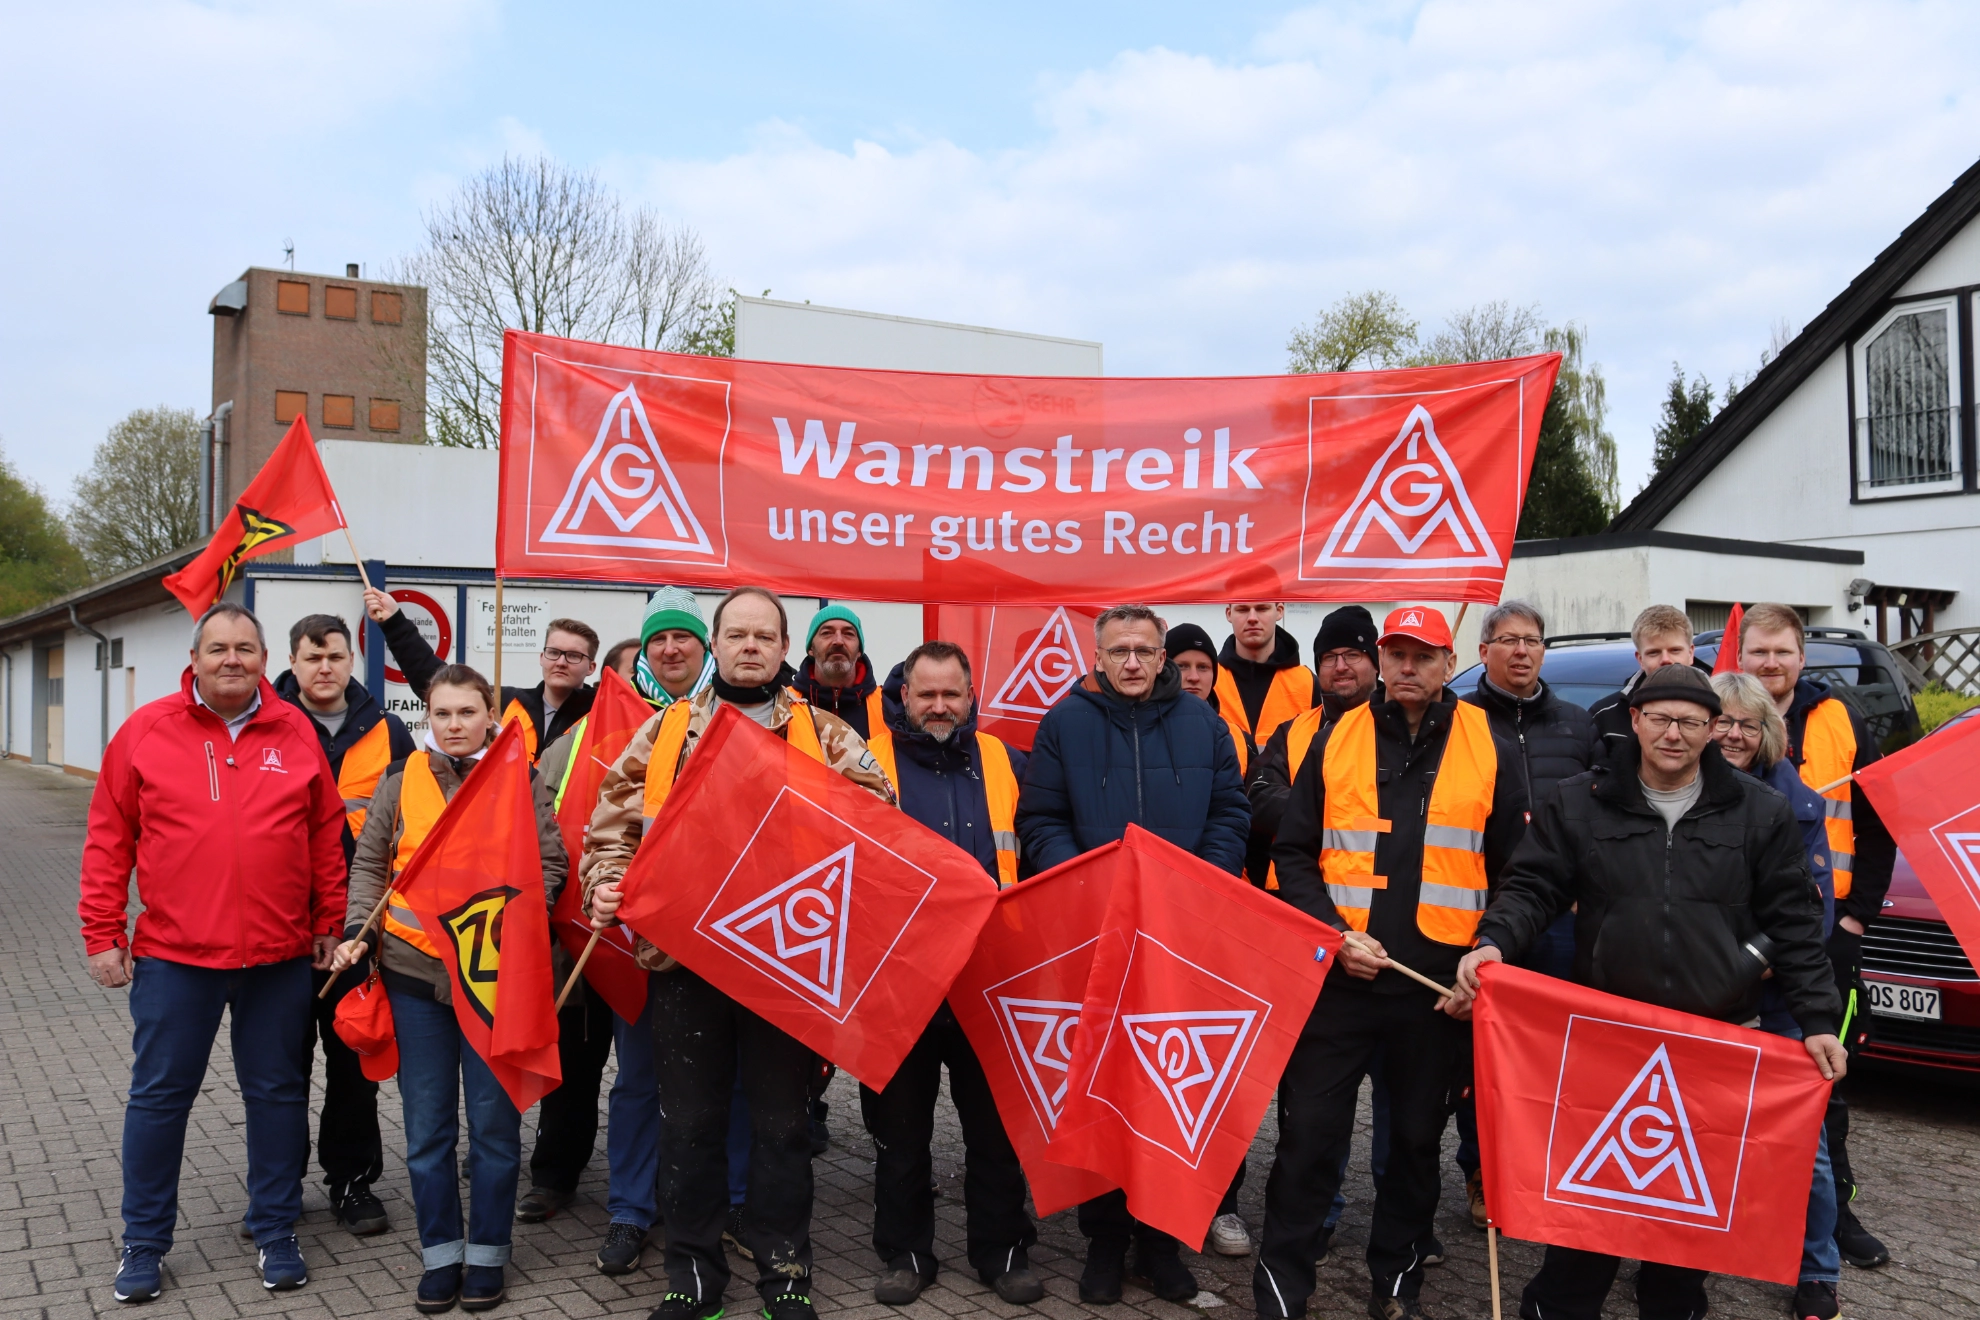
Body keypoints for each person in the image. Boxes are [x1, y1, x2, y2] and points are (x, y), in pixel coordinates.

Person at [1450, 662, 1847, 1320]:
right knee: (1584, 1230)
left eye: (1691, 723)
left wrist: (1818, 1022)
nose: (1673, 734)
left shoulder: (1763, 813)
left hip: (1715, 1047)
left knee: (1681, 1241)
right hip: (1610, 1045)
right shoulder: (1580, 800)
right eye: (1660, 718)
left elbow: (1796, 926)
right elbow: (1532, 886)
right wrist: (1494, 941)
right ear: (1634, 721)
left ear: (1713, 730)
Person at [585, 587, 894, 1320]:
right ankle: (692, 1279)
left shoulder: (824, 735)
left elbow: (883, 830)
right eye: (737, 634)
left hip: (786, 966)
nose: (750, 646)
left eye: (764, 636)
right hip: (683, 965)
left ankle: (786, 1275)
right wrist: (606, 885)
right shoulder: (663, 733)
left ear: (785, 650)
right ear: (713, 645)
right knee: (688, 1126)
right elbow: (609, 829)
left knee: (783, 1129)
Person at [1255, 606, 1528, 1320]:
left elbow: (1519, 873)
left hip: (1436, 992)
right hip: (1339, 981)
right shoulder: (1333, 736)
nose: (1407, 668)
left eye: (1423, 655)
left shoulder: (1490, 743)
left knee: (1412, 1146)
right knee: (1309, 1138)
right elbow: (1293, 852)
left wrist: (1487, 953)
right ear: (1381, 660)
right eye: (1396, 654)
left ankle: (1397, 1279)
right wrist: (1331, 932)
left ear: (1448, 661)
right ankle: (1282, 1284)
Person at [80, 602, 346, 1303]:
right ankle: (143, 1241)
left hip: (279, 957)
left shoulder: (293, 731)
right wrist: (102, 932)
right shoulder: (147, 730)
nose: (233, 659)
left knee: (279, 1096)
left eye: (247, 648)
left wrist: (328, 919)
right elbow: (110, 836)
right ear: (194, 658)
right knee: (160, 1100)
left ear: (267, 661)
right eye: (219, 647)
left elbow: (324, 833)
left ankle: (276, 1226)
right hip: (175, 957)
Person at [1016, 603, 1250, 1306]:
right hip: (1099, 939)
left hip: (1181, 939)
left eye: (1145, 651)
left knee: (1170, 1095)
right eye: (1118, 650)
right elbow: (1041, 822)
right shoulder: (1064, 724)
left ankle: (1160, 1243)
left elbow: (1231, 815)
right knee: (1102, 1092)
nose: (1132, 663)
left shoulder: (1206, 728)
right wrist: (1096, 887)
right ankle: (1105, 1242)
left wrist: (1192, 886)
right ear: (1097, 655)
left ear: (1163, 657)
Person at [328, 664, 569, 1314]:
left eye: (468, 713)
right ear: (427, 718)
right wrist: (358, 930)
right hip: (413, 977)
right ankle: (441, 1255)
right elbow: (371, 862)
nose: (455, 725)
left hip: (492, 980)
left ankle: (488, 1256)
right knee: (429, 1131)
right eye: (443, 714)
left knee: (493, 1128)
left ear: (490, 716)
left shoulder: (519, 778)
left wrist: (519, 916)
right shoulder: (401, 780)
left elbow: (551, 861)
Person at [513, 588, 718, 1238]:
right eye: (656, 641)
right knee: (632, 1082)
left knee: (716, 1088)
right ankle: (629, 1211)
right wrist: (597, 885)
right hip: (619, 937)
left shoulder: (729, 723)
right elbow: (580, 826)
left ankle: (714, 1206)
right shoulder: (594, 736)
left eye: (682, 637)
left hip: (709, 940)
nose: (669, 649)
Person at [855, 642, 1041, 1306]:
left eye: (951, 694)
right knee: (899, 1135)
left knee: (996, 1133)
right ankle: (906, 1255)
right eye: (926, 694)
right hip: (899, 983)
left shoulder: (1004, 761)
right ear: (903, 694)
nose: (939, 706)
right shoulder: (864, 762)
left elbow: (1039, 848)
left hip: (990, 980)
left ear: (971, 697)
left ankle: (1005, 1252)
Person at [1738, 601, 1896, 1273]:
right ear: (1739, 658)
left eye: (1783, 651)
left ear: (1803, 657)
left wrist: (1858, 917)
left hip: (1825, 937)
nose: (1771, 662)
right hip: (1737, 946)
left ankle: (1836, 1221)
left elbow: (1880, 818)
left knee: (1822, 1086)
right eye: (1759, 652)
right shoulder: (1725, 722)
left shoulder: (1841, 716)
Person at [275, 613, 417, 1237]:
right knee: (279, 1070)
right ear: (294, 663)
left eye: (334, 655)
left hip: (359, 928)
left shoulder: (389, 731)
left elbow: (414, 820)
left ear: (352, 658)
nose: (324, 668)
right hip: (281, 930)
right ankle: (277, 1187)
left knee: (354, 1059)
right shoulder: (265, 726)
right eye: (312, 658)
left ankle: (353, 1183)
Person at [1710, 671, 1845, 1320]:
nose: (1733, 733)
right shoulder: (1676, 794)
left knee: (1806, 1152)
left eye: (1748, 723)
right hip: (1698, 1002)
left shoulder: (1801, 806)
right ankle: (1679, 1253)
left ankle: (1817, 1271)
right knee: (1694, 1133)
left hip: (1778, 1004)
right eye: (1722, 720)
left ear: (1769, 733)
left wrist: (1748, 960)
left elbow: (1811, 916)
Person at [364, 587, 598, 762]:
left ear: (591, 667)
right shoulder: (503, 702)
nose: (561, 662)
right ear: (541, 657)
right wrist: (395, 622)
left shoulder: (600, 714)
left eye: (574, 656)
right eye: (554, 652)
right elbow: (433, 676)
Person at [1215, 600, 1318, 761]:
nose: (1252, 618)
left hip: (1289, 786)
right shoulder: (1209, 682)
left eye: (1262, 609)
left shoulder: (1308, 683)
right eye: (1242, 609)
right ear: (1229, 614)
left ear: (1279, 611)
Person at [1587, 604, 1695, 753]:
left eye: (1675, 650)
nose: (1666, 660)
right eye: (1654, 653)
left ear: (1691, 653)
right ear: (1640, 659)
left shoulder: (1720, 709)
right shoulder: (1604, 715)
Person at [790, 603, 884, 736]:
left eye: (848, 634)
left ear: (859, 651)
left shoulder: (888, 706)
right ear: (811, 648)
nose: (838, 641)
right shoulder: (783, 704)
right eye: (827, 633)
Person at [635, 585, 716, 708]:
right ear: (646, 650)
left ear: (704, 644)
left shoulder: (738, 700)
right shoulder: (619, 706)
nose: (669, 650)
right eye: (659, 639)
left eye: (681, 637)